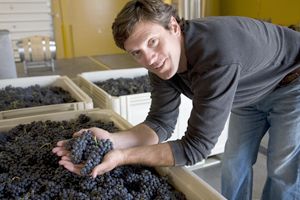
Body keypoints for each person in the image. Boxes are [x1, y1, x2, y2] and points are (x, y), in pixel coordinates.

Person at [52, 0, 300, 199]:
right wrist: (114, 141)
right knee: (235, 161)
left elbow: (196, 147)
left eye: (152, 42)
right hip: (248, 91)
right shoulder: (160, 64)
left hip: (292, 80)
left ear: (173, 26)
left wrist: (124, 157)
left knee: (281, 168)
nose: (148, 58)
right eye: (137, 52)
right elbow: (160, 123)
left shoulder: (216, 54)